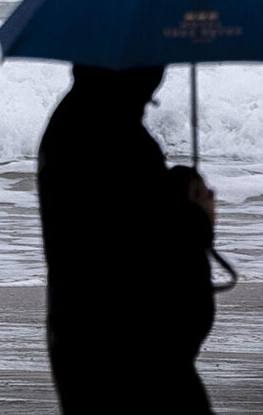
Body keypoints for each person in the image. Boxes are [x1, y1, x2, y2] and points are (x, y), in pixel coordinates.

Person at [37, 64, 216, 413]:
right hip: (132, 355)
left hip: (85, 342)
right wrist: (198, 216)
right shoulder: (115, 135)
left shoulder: (77, 121)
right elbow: (144, 250)